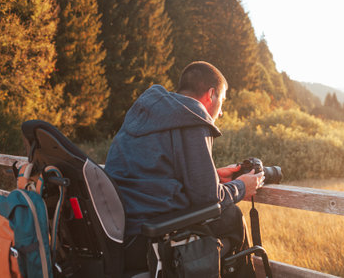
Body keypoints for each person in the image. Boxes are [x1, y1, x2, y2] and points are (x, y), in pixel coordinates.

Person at [105, 61, 264, 275]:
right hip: (147, 241)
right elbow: (208, 199)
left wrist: (212, 175)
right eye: (222, 101)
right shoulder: (193, 115)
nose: (221, 112)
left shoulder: (146, 113)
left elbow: (152, 173)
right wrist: (242, 187)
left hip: (118, 237)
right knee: (232, 217)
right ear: (211, 95)